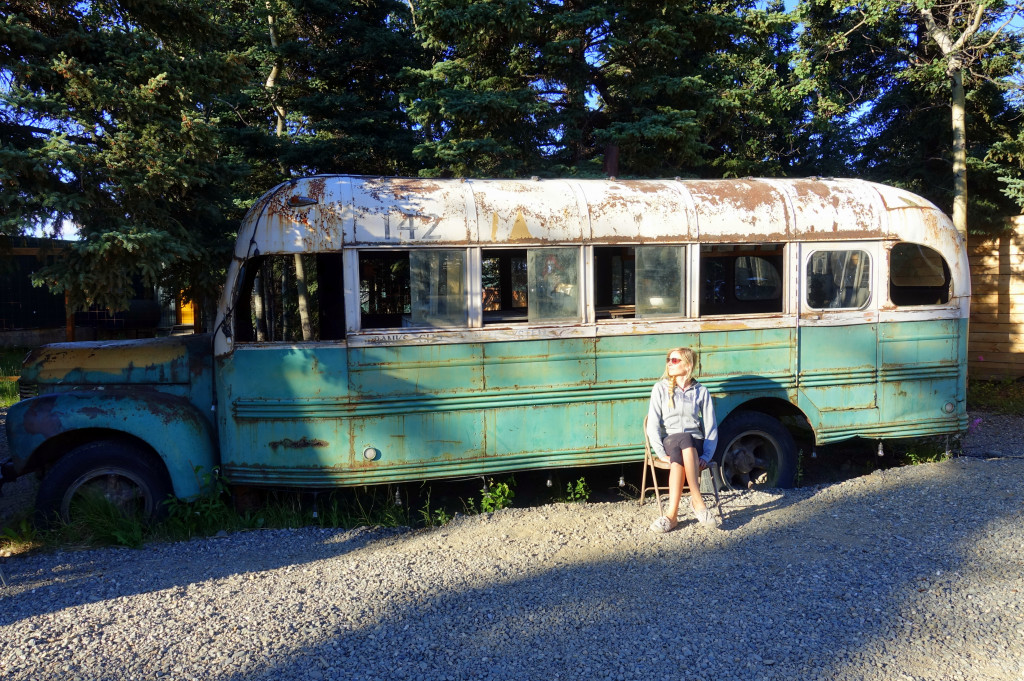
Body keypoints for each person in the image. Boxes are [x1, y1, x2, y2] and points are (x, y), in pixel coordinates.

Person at [646, 347, 720, 532]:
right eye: (668, 359)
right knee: (681, 440)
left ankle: (671, 516)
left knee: (681, 453)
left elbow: (710, 427)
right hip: (670, 441)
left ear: (688, 365)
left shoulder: (701, 391)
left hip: (694, 444)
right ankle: (698, 502)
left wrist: (707, 455)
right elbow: (652, 424)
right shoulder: (660, 388)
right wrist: (660, 453)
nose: (669, 363)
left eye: (675, 360)